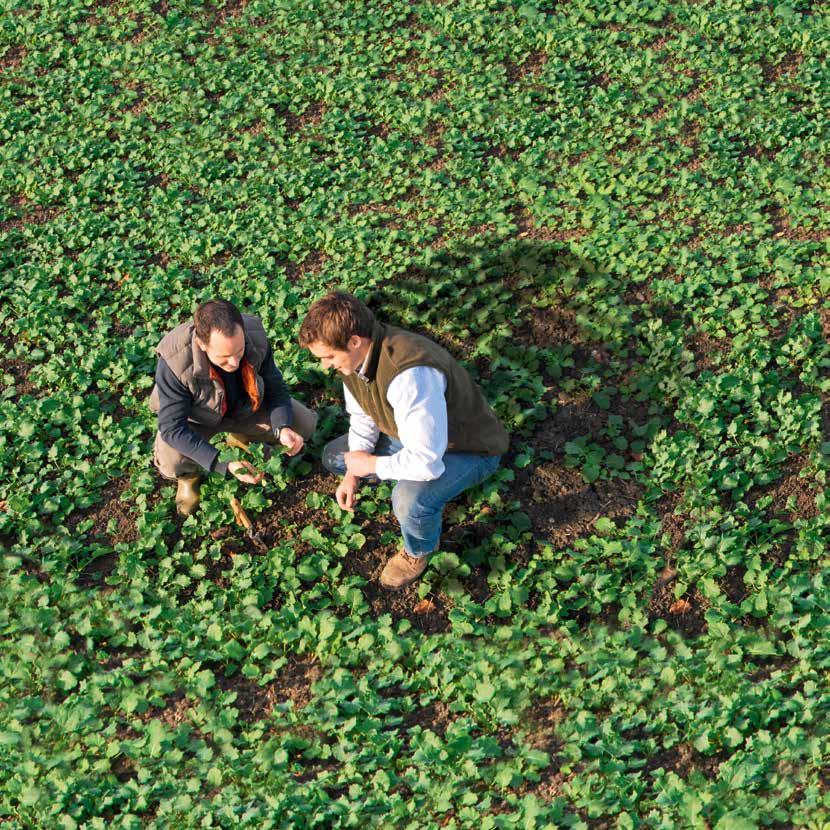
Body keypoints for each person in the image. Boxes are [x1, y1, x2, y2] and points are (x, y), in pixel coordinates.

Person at [298, 291, 508, 590]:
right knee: (337, 456)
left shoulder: (409, 375)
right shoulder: (353, 362)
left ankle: (417, 552)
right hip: (412, 436)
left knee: (408, 501)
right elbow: (363, 418)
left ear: (354, 341)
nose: (325, 366)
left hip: (467, 448)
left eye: (328, 357)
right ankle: (415, 486)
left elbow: (426, 462)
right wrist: (353, 471)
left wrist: (372, 463)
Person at [150, 299, 317, 516]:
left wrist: (282, 426)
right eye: (224, 357)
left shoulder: (255, 336)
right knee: (173, 461)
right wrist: (223, 463)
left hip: (244, 409)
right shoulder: (175, 362)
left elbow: (276, 388)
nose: (234, 363)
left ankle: (241, 437)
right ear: (202, 344)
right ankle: (189, 478)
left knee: (304, 424)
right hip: (198, 419)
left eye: (239, 351)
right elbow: (172, 428)